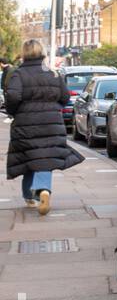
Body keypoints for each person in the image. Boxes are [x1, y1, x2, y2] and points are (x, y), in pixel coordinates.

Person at [3, 39, 83, 215]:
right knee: (44, 157)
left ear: (24, 53)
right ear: (42, 53)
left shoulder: (18, 74)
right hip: (51, 123)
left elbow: (13, 97)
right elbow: (65, 97)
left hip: (26, 124)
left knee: (28, 157)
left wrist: (14, 112)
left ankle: (34, 194)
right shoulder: (53, 73)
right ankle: (39, 192)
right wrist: (54, 108)